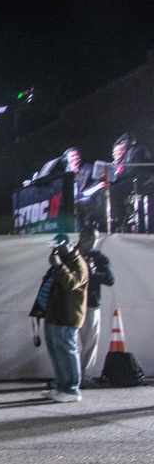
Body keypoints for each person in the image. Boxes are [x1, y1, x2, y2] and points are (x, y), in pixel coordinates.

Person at [33, 233, 88, 403]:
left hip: (67, 316)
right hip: (55, 315)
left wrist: (59, 267)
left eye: (58, 247)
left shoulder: (77, 263)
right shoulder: (63, 262)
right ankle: (62, 385)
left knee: (67, 351)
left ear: (68, 246)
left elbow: (72, 284)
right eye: (53, 248)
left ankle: (72, 389)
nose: (55, 250)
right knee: (56, 352)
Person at [76, 228, 114, 387]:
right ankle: (72, 375)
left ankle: (85, 376)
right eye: (88, 237)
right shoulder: (73, 255)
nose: (91, 241)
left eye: (94, 238)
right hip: (73, 303)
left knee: (90, 342)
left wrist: (93, 274)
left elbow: (110, 280)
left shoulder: (99, 258)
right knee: (72, 342)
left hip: (91, 304)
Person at [109, 132, 154, 233]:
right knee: (109, 188)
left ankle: (119, 218)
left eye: (121, 144)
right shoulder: (129, 154)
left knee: (113, 190)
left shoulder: (137, 151)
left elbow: (134, 170)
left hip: (141, 182)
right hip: (133, 181)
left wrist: (117, 176)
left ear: (126, 143)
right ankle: (118, 217)